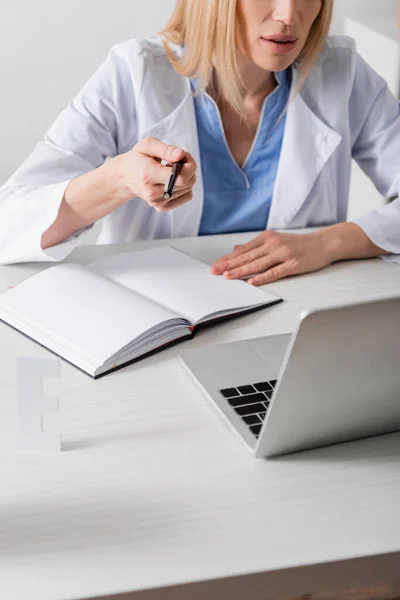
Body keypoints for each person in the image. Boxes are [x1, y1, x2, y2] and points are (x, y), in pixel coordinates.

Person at [0, 0, 399, 285]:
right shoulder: (133, 72)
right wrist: (117, 179)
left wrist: (328, 243)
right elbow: (9, 224)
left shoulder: (342, 72)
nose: (288, 14)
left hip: (298, 315)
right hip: (160, 326)